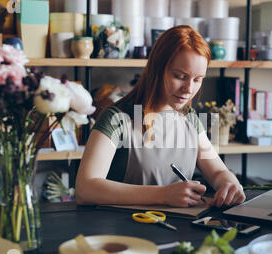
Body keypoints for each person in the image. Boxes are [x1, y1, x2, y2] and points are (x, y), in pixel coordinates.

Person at [76, 25, 246, 208]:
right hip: (125, 231)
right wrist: (163, 194)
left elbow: (218, 171)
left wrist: (230, 183)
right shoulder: (116, 119)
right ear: (157, 69)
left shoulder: (190, 119)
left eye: (197, 79)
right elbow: (86, 189)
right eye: (180, 76)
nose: (189, 90)